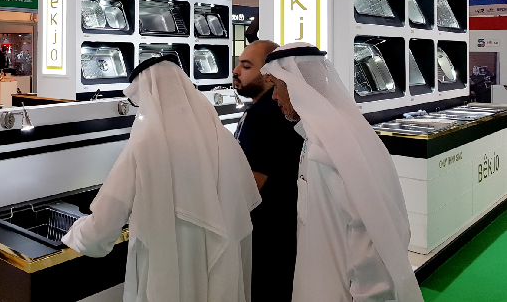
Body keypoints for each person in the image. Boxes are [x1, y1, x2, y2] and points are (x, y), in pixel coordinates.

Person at [62, 55, 261, 302]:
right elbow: (242, 205)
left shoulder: (147, 144)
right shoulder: (223, 138)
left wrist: (75, 233)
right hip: (220, 267)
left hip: (168, 270)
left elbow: (105, 223)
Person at [260, 42, 424, 302]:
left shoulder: (332, 143)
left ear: (295, 84)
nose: (274, 97)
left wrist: (368, 296)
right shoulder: (319, 135)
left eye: (276, 86)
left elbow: (369, 227)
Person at [232, 40, 302, 300]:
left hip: (269, 233)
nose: (236, 71)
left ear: (269, 74)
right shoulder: (261, 110)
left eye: (246, 66)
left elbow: (253, 183)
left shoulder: (268, 115)